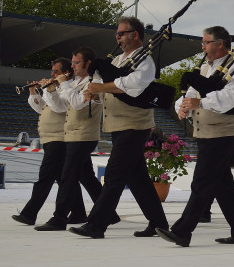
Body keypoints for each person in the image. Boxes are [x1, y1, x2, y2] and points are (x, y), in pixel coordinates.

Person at [71, 17, 169, 239]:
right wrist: (95, 92)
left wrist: (102, 86)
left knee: (114, 174)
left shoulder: (145, 61)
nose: (118, 37)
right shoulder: (116, 60)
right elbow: (109, 86)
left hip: (135, 124)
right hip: (118, 123)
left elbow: (132, 86)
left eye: (122, 33)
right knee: (137, 178)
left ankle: (96, 224)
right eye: (117, 34)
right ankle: (159, 223)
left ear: (135, 35)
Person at [158, 26, 234, 246]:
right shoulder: (205, 67)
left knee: (201, 183)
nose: (202, 46)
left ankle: (183, 231)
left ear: (220, 44)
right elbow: (192, 93)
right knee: (223, 185)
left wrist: (199, 103)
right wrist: (183, 106)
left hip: (221, 134)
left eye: (206, 42)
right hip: (205, 132)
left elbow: (231, 98)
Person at [34, 47, 104, 231]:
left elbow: (77, 104)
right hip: (72, 134)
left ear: (88, 63)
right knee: (84, 176)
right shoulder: (74, 83)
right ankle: (107, 212)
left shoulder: (95, 82)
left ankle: (59, 218)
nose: (72, 66)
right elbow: (60, 106)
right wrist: (50, 90)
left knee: (67, 177)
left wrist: (63, 84)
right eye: (72, 62)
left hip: (83, 134)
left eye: (76, 63)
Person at [13, 58, 79, 226]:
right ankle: (79, 212)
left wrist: (50, 89)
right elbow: (42, 108)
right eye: (52, 71)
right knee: (64, 179)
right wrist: (33, 92)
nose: (52, 74)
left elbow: (59, 107)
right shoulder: (55, 88)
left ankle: (30, 213)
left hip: (59, 138)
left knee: (45, 178)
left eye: (56, 71)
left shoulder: (69, 87)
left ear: (66, 73)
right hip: (50, 138)